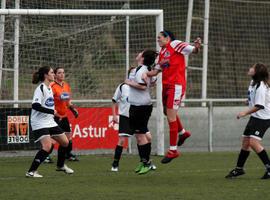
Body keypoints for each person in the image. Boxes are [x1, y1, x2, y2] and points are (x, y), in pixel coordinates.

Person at [142, 30, 201, 164]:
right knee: (165, 112)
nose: (158, 40)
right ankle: (183, 132)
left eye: (160, 37)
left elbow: (194, 51)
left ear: (167, 38)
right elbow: (156, 71)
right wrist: (144, 74)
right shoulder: (161, 54)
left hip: (176, 86)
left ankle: (173, 151)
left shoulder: (175, 44)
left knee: (170, 116)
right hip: (166, 86)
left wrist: (197, 47)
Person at [26, 66, 74, 178]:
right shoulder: (41, 88)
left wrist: (55, 113)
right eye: (52, 73)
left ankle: (60, 166)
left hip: (49, 121)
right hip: (39, 122)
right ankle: (31, 171)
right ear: (46, 75)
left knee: (65, 142)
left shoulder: (49, 88)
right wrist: (51, 111)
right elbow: (35, 105)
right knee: (47, 146)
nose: (54, 74)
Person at [225, 63, 270, 179]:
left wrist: (245, 112)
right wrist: (249, 100)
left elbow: (260, 105)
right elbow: (255, 99)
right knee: (246, 141)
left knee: (253, 143)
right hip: (256, 116)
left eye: (253, 68)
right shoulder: (253, 82)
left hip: (263, 117)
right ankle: (239, 169)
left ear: (256, 72)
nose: (250, 68)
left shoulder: (261, 86)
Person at [125, 49, 158, 175]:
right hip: (138, 106)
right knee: (140, 136)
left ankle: (147, 163)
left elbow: (143, 86)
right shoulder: (141, 70)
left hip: (141, 107)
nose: (138, 53)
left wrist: (129, 83)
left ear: (142, 58)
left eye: (141, 53)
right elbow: (152, 83)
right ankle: (143, 161)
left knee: (141, 136)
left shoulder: (142, 70)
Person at [49, 67, 79, 162]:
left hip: (64, 115)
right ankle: (46, 156)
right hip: (55, 116)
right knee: (53, 138)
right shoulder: (52, 86)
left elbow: (67, 101)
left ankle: (68, 154)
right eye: (59, 73)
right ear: (55, 75)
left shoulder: (66, 85)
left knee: (68, 136)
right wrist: (53, 112)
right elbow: (48, 101)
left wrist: (73, 109)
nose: (62, 74)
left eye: (63, 72)